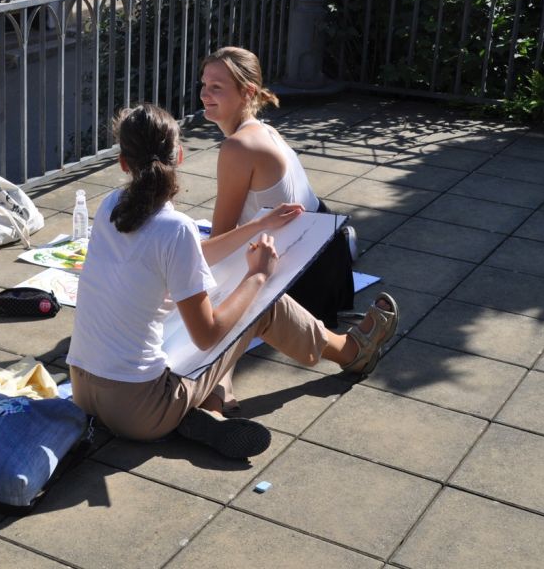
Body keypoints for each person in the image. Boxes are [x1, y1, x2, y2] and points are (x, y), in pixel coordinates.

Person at [66, 104, 397, 459]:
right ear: (179, 155)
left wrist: (257, 226)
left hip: (84, 392)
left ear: (123, 163)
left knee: (224, 305)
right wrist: (258, 276)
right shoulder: (175, 229)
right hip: (141, 409)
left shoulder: (112, 206)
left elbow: (191, 254)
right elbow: (208, 335)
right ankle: (352, 352)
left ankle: (211, 409)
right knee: (260, 305)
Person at [198, 47, 361, 412]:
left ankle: (216, 396)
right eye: (204, 84)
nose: (205, 94)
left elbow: (219, 240)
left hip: (307, 275)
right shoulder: (263, 130)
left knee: (204, 290)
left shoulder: (238, 146)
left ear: (247, 92)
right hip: (326, 256)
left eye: (217, 87)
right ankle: (218, 395)